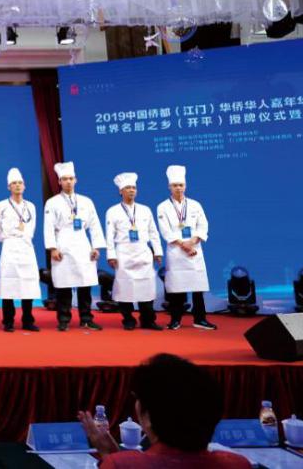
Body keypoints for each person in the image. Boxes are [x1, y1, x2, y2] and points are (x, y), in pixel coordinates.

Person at [79, 353, 250, 468]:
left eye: (139, 399)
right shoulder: (237, 464)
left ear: (148, 417)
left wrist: (110, 458)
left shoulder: (122, 464)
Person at [44, 162, 106, 331]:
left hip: (82, 243)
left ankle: (86, 318)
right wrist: (53, 248)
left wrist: (96, 247)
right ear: (59, 182)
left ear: (76, 180)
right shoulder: (52, 202)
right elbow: (48, 227)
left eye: (71, 178)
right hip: (63, 243)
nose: (68, 182)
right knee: (63, 284)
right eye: (65, 179)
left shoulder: (86, 201)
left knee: (85, 283)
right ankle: (63, 319)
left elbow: (95, 225)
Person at [156, 165, 216, 330]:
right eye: (175, 185)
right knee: (177, 288)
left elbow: (203, 225)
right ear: (169, 187)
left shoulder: (196, 205)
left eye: (181, 185)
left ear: (185, 186)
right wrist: (183, 244)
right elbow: (165, 230)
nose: (178, 188)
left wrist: (193, 240)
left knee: (198, 288)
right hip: (176, 251)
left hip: (195, 250)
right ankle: (175, 319)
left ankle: (200, 319)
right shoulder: (162, 207)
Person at [105, 173, 163, 331]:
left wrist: (157, 252)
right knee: (125, 288)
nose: (131, 190)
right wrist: (111, 255)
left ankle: (148, 320)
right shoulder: (112, 211)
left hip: (143, 251)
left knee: (147, 287)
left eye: (133, 188)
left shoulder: (145, 210)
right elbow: (109, 236)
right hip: (123, 253)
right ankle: (128, 319)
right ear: (120, 191)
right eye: (128, 188)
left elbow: (153, 232)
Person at [0, 168, 40, 332]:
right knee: (8, 283)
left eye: (20, 183)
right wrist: (7, 238)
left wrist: (24, 236)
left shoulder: (31, 206)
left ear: (24, 186)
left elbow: (32, 226)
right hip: (10, 246)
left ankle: (28, 320)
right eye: (14, 183)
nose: (17, 186)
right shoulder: (0, 206)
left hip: (26, 246)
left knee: (28, 283)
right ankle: (8, 321)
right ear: (9, 187)